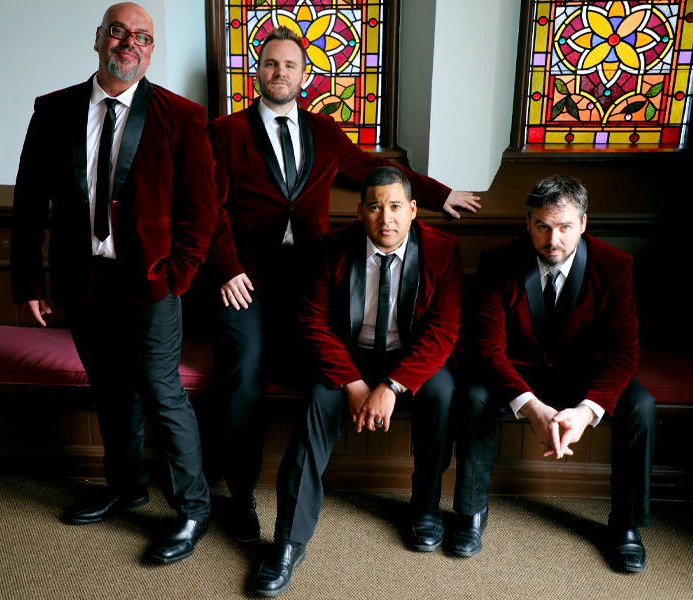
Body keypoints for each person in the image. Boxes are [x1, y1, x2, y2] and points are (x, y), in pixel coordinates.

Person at [206, 25, 480, 542]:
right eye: (270, 64)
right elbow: (207, 208)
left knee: (317, 371)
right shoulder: (225, 132)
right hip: (246, 280)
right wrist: (225, 268)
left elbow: (377, 173)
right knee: (243, 375)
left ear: (304, 76)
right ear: (256, 73)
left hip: (311, 275)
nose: (279, 72)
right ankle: (240, 497)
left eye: (290, 65)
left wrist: (440, 194)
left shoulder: (325, 132)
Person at [10, 3, 218, 565]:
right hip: (83, 283)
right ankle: (127, 487)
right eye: (119, 32)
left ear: (151, 51)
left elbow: (202, 211)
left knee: (161, 392)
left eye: (143, 38)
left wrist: (176, 277)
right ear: (98, 39)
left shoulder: (183, 116)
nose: (130, 43)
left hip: (152, 286)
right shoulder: (52, 111)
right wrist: (29, 279)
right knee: (109, 389)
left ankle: (193, 509)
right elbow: (30, 202)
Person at [252, 167, 463, 596]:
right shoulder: (331, 247)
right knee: (315, 406)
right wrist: (353, 382)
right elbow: (312, 324)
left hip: (409, 358)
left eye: (396, 206)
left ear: (414, 210)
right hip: (346, 357)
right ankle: (288, 541)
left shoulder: (443, 250)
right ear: (361, 212)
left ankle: (425, 509)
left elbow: (443, 331)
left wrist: (391, 387)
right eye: (375, 206)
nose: (386, 217)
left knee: (443, 393)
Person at [455, 175, 657, 572]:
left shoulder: (614, 267)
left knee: (642, 406)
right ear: (528, 223)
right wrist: (530, 406)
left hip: (585, 374)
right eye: (543, 227)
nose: (553, 240)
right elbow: (488, 349)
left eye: (565, 228)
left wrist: (585, 411)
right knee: (475, 395)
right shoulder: (498, 261)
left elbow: (623, 353)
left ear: (583, 224)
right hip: (516, 371)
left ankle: (626, 526)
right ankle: (470, 512)